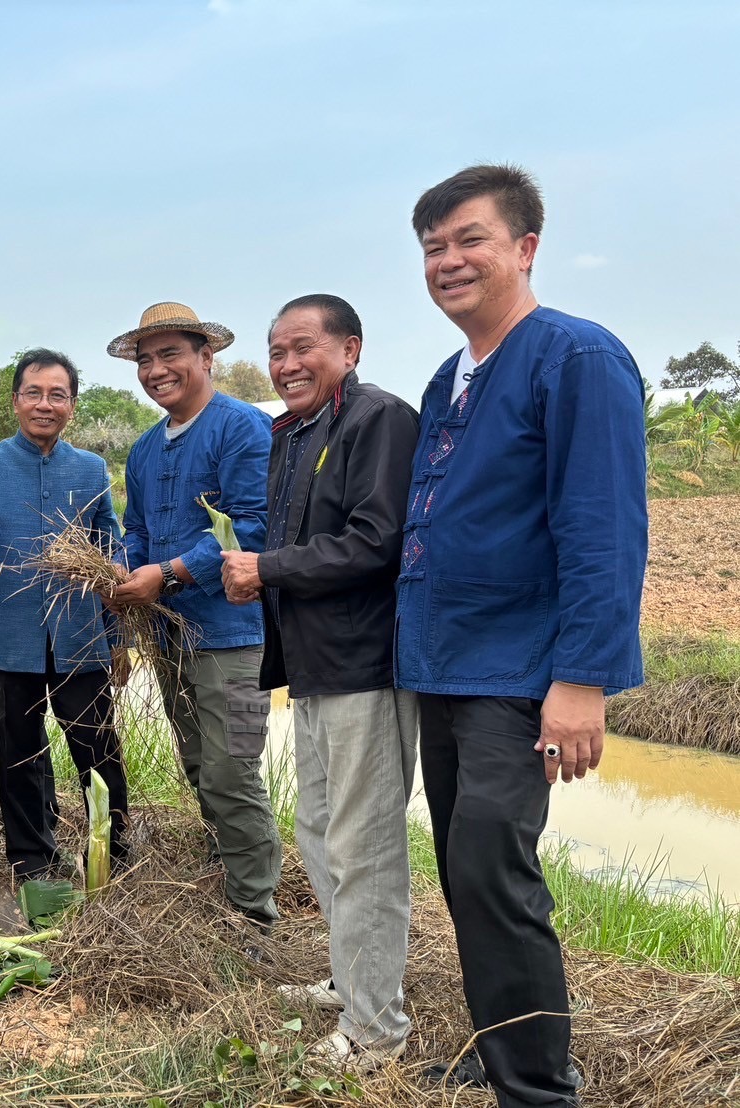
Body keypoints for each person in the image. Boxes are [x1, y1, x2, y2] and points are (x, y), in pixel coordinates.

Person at [399, 165, 646, 1107]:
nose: (449, 261)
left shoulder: (573, 357)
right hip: (445, 662)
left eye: (469, 240)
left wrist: (581, 680)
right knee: (466, 869)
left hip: (518, 666)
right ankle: (501, 1047)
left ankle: (537, 1089)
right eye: (432, 248)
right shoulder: (449, 376)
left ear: (524, 249)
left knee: (492, 867)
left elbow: (602, 527)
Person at [221, 294, 420, 1071]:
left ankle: (376, 1033)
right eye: (276, 351)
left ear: (351, 349)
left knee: (363, 847)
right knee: (318, 830)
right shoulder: (293, 432)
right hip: (309, 667)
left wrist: (267, 569)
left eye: (303, 347)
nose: (286, 363)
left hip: (363, 665)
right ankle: (349, 981)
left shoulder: (378, 420)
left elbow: (378, 541)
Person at [107, 302, 282, 934]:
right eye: (145, 360)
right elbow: (137, 531)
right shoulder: (147, 448)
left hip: (233, 636)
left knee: (233, 768)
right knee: (196, 761)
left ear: (207, 358)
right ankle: (229, 868)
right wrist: (120, 570)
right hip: (170, 633)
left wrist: (169, 573)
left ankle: (254, 912)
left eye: (170, 354)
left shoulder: (240, 430)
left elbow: (251, 529)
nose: (156, 370)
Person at [0, 349, 129, 881]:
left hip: (79, 634)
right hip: (5, 636)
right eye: (34, 393)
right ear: (15, 401)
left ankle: (115, 852)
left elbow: (110, 542)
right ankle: (32, 859)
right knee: (20, 751)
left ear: (72, 404)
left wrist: (120, 622)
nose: (45, 404)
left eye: (57, 395)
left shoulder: (89, 469)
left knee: (97, 744)